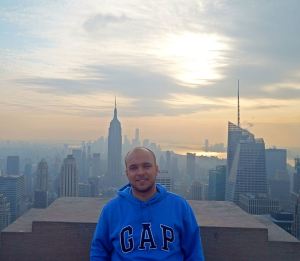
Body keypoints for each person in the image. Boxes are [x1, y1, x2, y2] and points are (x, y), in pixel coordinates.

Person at [90, 147, 205, 260]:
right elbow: (99, 252)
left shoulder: (180, 207)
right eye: (134, 168)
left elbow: (194, 254)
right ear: (127, 173)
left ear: (156, 169)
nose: (140, 172)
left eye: (147, 166)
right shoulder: (111, 210)